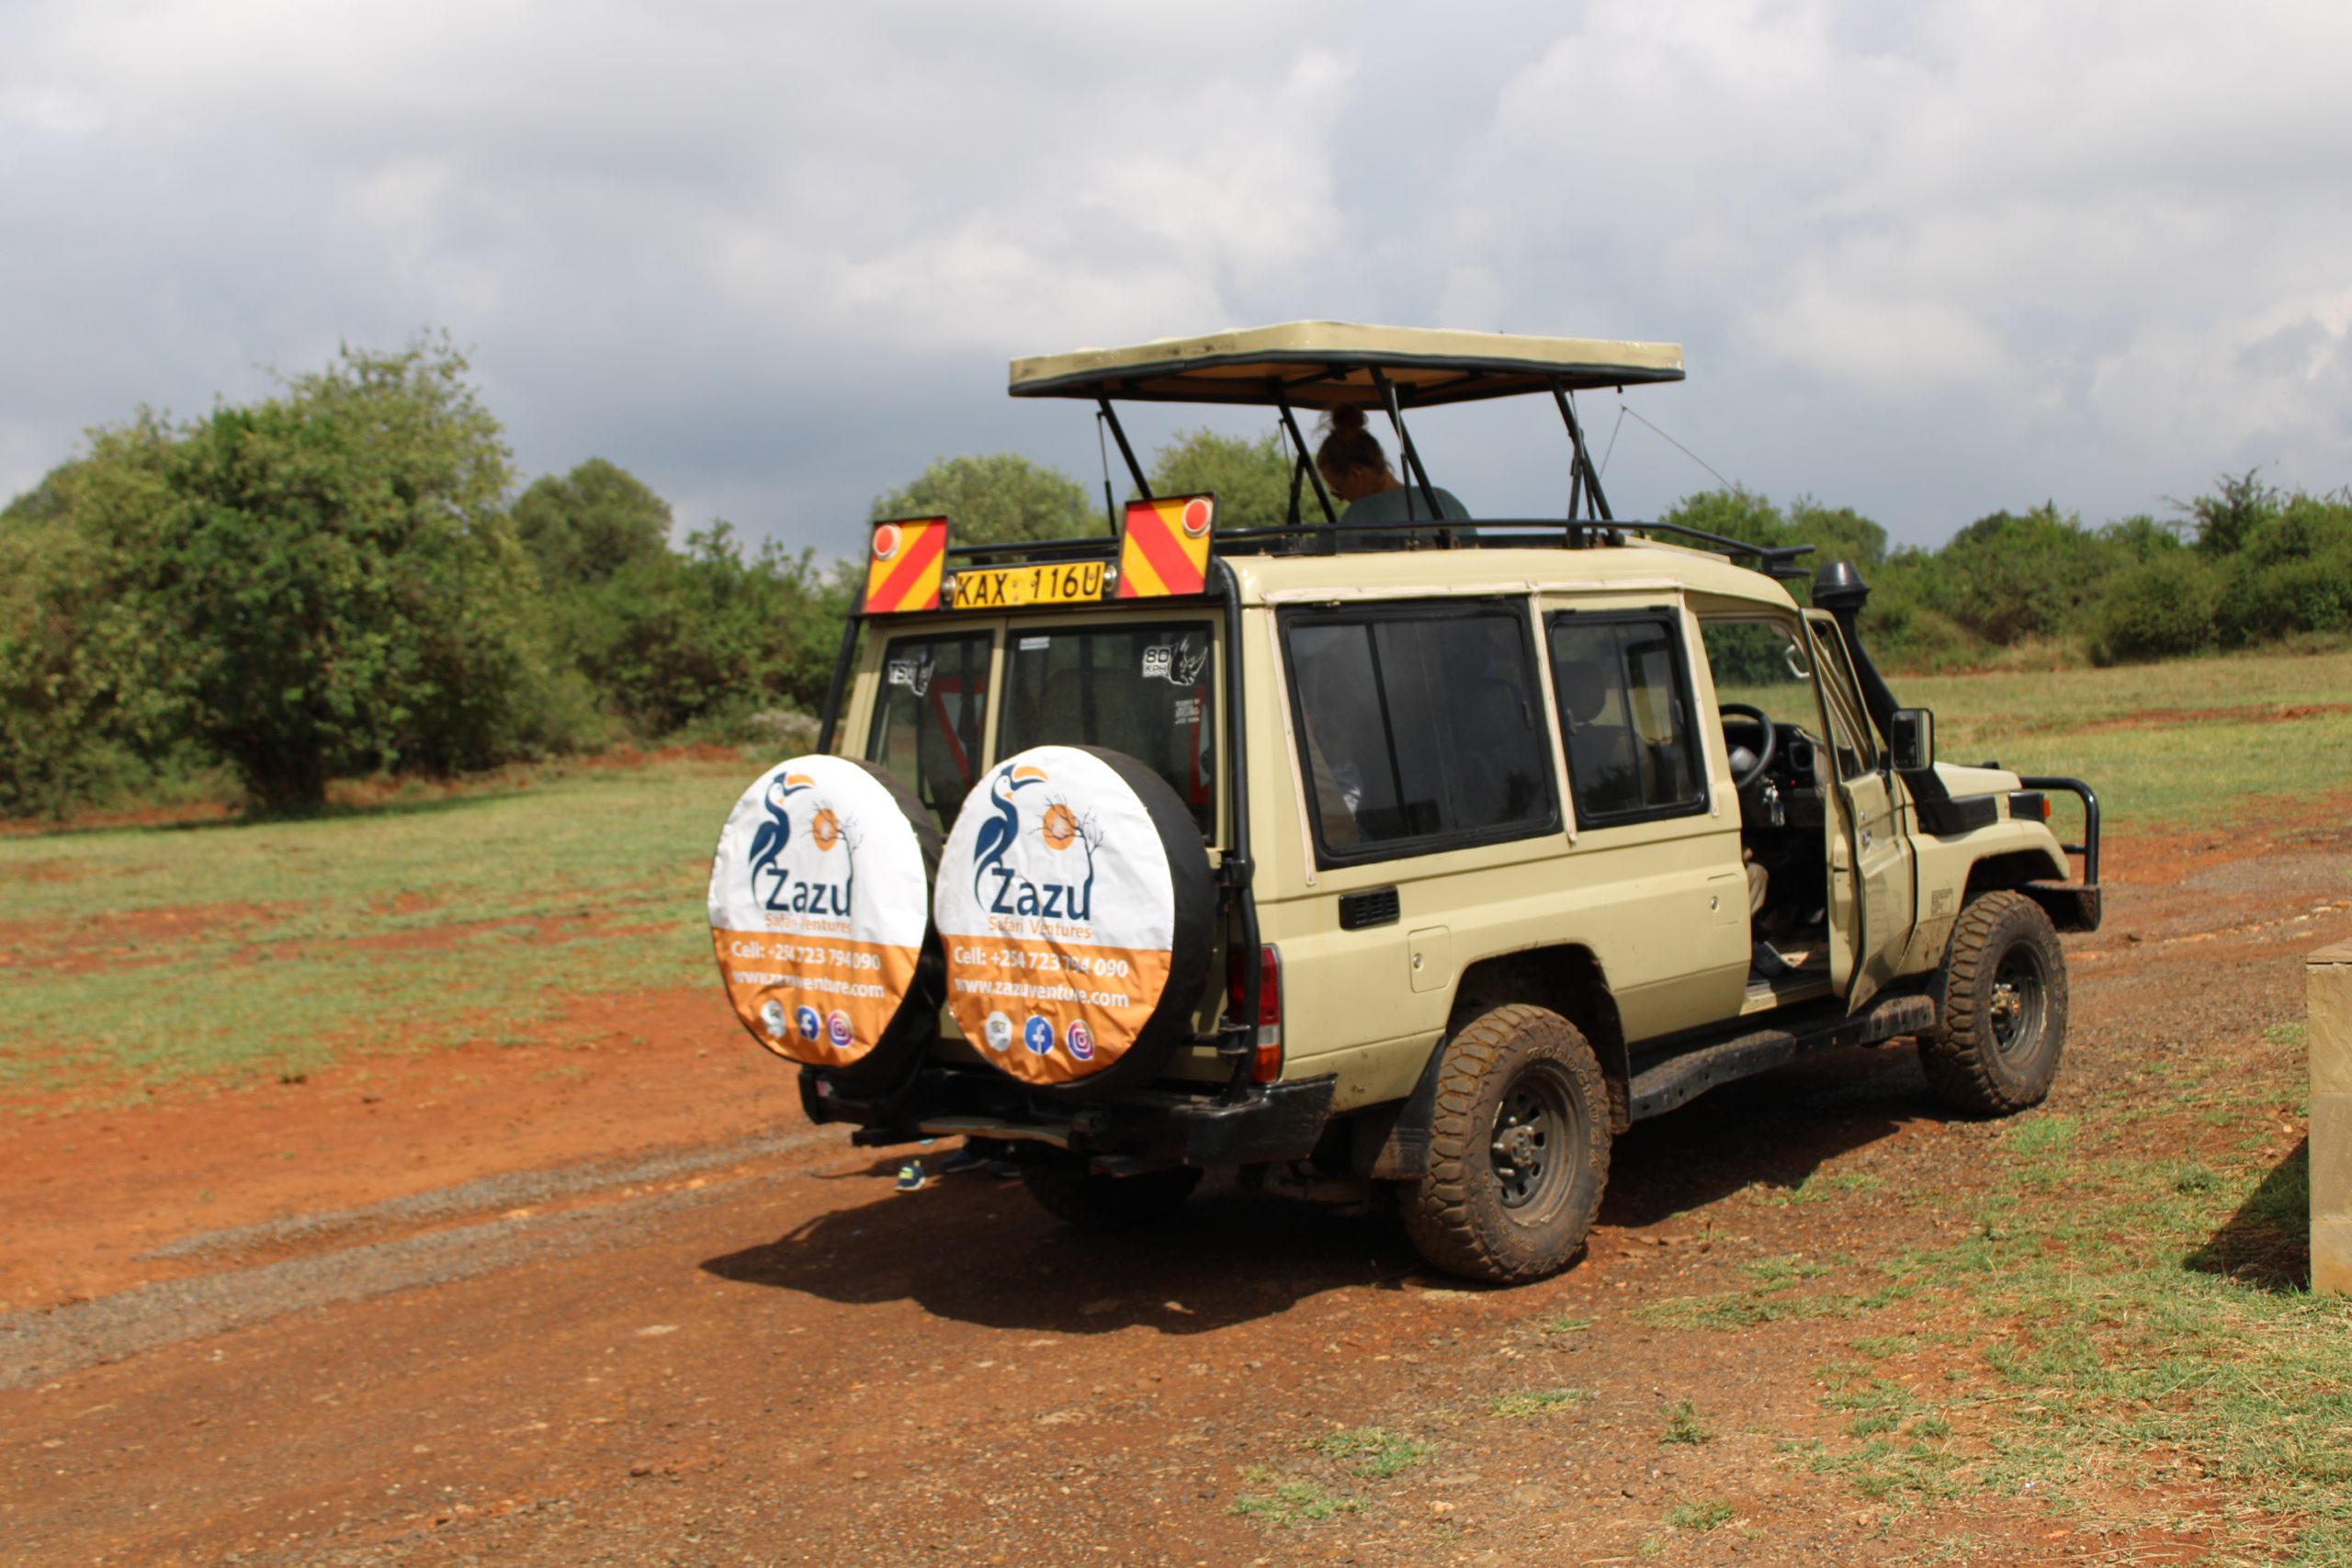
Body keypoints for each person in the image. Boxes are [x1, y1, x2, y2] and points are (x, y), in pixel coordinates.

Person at [1314, 406, 1471, 546]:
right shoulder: (1446, 502)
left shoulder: (1360, 516)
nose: (1341, 498)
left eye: (1338, 489)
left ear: (1356, 474)